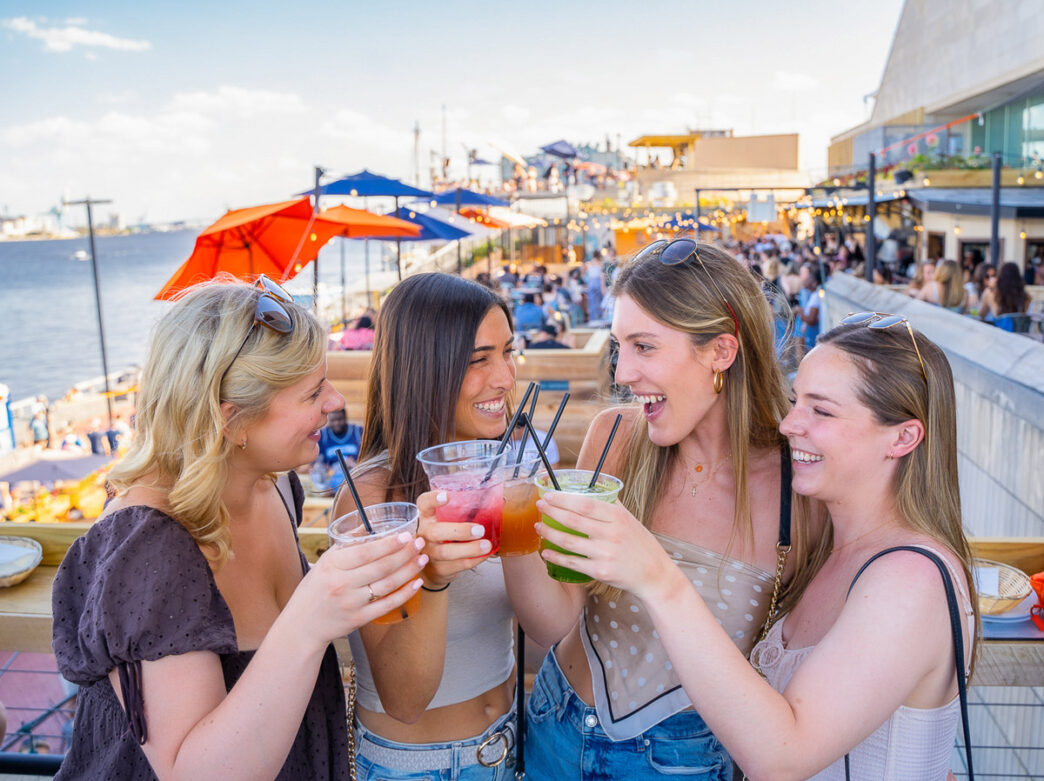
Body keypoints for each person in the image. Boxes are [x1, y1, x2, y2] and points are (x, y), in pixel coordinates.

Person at [538, 313, 977, 779]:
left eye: (821, 411)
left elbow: (782, 756)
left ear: (904, 437)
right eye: (796, 400)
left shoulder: (909, 581)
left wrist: (658, 577)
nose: (789, 424)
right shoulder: (840, 548)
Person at [50, 277, 426, 780]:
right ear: (232, 421)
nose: (335, 401)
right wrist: (309, 620)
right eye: (313, 391)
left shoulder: (273, 484)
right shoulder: (148, 548)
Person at [502, 241, 817, 780]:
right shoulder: (615, 437)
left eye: (645, 347)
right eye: (618, 347)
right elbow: (552, 622)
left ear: (721, 351)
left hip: (685, 760)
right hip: (555, 724)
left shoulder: (801, 488)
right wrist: (513, 517)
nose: (623, 372)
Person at [332, 272, 520, 781]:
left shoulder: (505, 473)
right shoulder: (375, 501)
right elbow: (404, 698)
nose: (505, 377)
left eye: (508, 351)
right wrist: (433, 577)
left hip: (513, 742)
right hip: (424, 767)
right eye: (479, 359)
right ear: (425, 370)